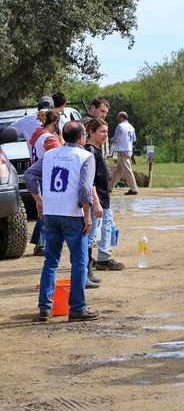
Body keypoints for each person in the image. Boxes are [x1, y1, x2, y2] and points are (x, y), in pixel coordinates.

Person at [24, 121, 100, 322]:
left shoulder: (50, 155)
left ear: (64, 137)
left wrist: (39, 201)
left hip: (51, 214)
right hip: (73, 215)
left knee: (50, 262)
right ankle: (77, 308)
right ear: (82, 137)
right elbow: (85, 189)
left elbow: (30, 174)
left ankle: (45, 308)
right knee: (78, 263)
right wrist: (87, 215)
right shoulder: (85, 156)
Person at [85, 118, 125, 273]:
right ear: (91, 132)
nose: (105, 135)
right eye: (102, 131)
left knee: (106, 227)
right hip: (97, 200)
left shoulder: (96, 150)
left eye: (107, 132)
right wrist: (96, 201)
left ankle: (102, 257)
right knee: (92, 232)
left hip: (102, 198)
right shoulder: (90, 151)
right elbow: (90, 180)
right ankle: (97, 261)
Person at [28, 110, 63, 256]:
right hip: (47, 177)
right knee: (46, 212)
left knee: (43, 211)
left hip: (39, 176)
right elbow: (61, 155)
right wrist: (60, 137)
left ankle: (40, 242)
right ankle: (41, 244)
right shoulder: (49, 138)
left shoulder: (38, 135)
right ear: (55, 123)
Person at [108, 111, 138, 195]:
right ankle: (109, 188)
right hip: (128, 150)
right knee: (118, 171)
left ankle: (133, 189)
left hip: (122, 151)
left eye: (118, 116)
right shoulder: (131, 127)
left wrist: (109, 140)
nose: (117, 118)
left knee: (127, 170)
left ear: (121, 117)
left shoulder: (120, 126)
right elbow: (134, 139)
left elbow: (116, 139)